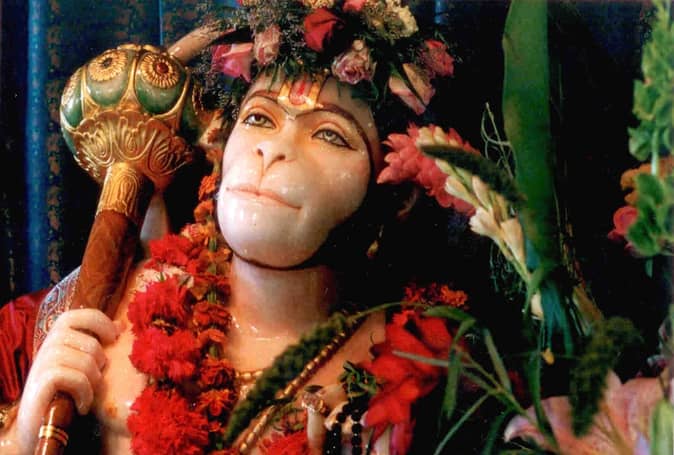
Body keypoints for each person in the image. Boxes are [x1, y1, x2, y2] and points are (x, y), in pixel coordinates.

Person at [0, 1, 464, 453]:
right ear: (220, 148)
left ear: (396, 196)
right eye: (259, 118)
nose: (274, 149)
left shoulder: (424, 367)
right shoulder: (88, 315)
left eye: (329, 134)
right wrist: (20, 438)